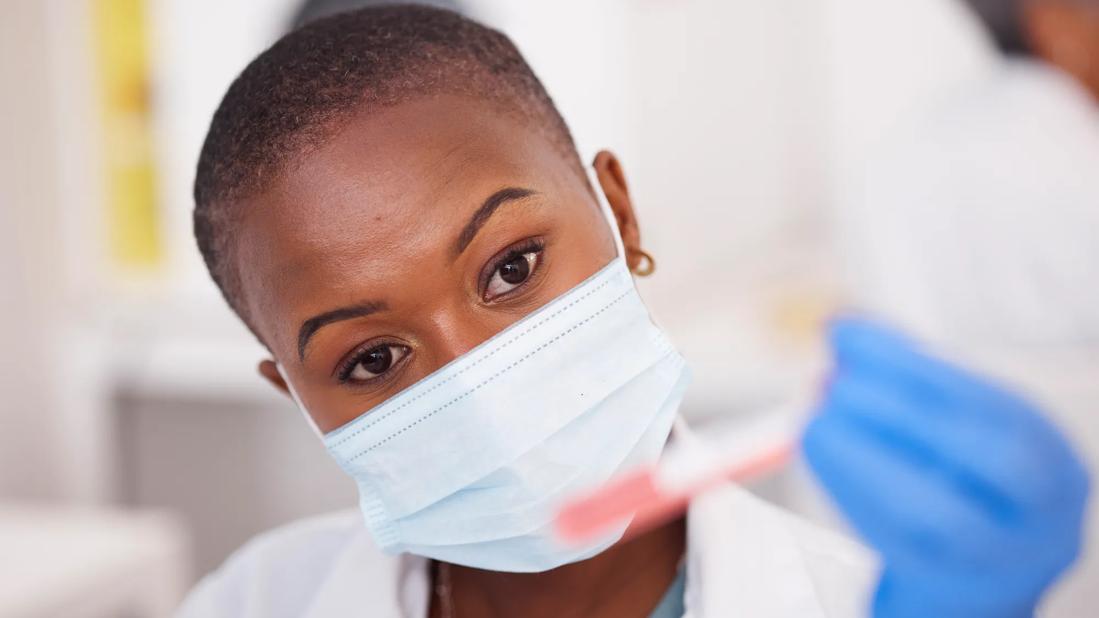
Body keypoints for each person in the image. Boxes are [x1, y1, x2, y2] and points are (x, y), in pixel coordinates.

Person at [176, 6, 1089, 617]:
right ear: (294, 392)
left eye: (512, 268)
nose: (480, 391)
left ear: (618, 210)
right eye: (372, 360)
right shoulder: (251, 601)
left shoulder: (839, 599)